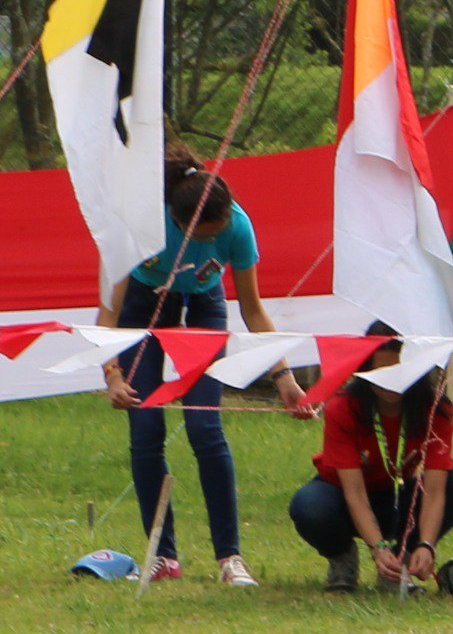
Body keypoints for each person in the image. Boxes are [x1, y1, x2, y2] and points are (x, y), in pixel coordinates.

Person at [101, 159, 303, 586]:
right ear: (176, 221)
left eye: (217, 233)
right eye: (202, 236)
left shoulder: (238, 227)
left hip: (203, 306)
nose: (213, 239)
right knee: (146, 428)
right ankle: (163, 556)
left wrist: (284, 376)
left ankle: (230, 558)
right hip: (144, 303)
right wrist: (113, 375)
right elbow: (109, 310)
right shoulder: (145, 224)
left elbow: (251, 308)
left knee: (205, 428)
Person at [289, 327, 453, 591]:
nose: (390, 383)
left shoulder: (437, 409)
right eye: (381, 374)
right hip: (344, 495)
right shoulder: (343, 408)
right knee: (309, 506)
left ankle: (403, 562)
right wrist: (377, 548)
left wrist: (426, 543)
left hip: (400, 498)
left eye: (399, 373)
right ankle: (342, 558)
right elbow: (354, 492)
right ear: (365, 371)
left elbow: (435, 491)